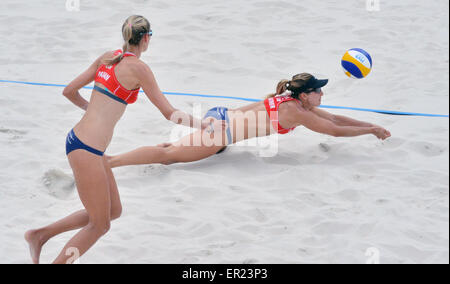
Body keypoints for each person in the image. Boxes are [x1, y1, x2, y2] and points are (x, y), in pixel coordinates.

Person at [24, 15, 217, 264]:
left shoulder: (108, 56)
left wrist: (92, 111)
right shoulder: (139, 68)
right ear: (146, 38)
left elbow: (69, 91)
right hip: (87, 150)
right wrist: (204, 125)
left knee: (113, 211)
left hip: (80, 141)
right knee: (99, 225)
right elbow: (170, 113)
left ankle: (39, 235)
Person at [108, 73, 391, 168]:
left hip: (221, 116)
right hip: (220, 131)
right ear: (304, 96)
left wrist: (371, 127)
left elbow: (336, 118)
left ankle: (113, 160)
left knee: (174, 149)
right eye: (316, 90)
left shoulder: (292, 101)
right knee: (168, 156)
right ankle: (110, 162)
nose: (321, 93)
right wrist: (368, 132)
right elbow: (334, 130)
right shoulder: (297, 113)